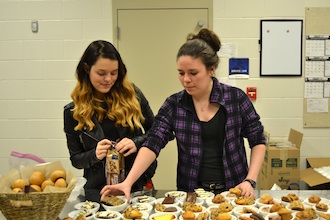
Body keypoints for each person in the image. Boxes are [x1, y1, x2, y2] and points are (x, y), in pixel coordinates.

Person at [100, 28, 266, 200]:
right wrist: (128, 182)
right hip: (191, 194)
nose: (186, 79)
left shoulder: (236, 98)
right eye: (181, 73)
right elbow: (152, 143)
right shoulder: (174, 105)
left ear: (211, 70)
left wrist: (250, 180)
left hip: (234, 191)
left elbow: (258, 140)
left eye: (193, 73)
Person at [63, 40, 157, 202]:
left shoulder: (133, 95)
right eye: (101, 73)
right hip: (98, 191)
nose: (108, 79)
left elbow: (160, 132)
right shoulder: (72, 111)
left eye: (114, 73)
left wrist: (136, 142)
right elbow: (76, 160)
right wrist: (94, 154)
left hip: (137, 186)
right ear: (86, 69)